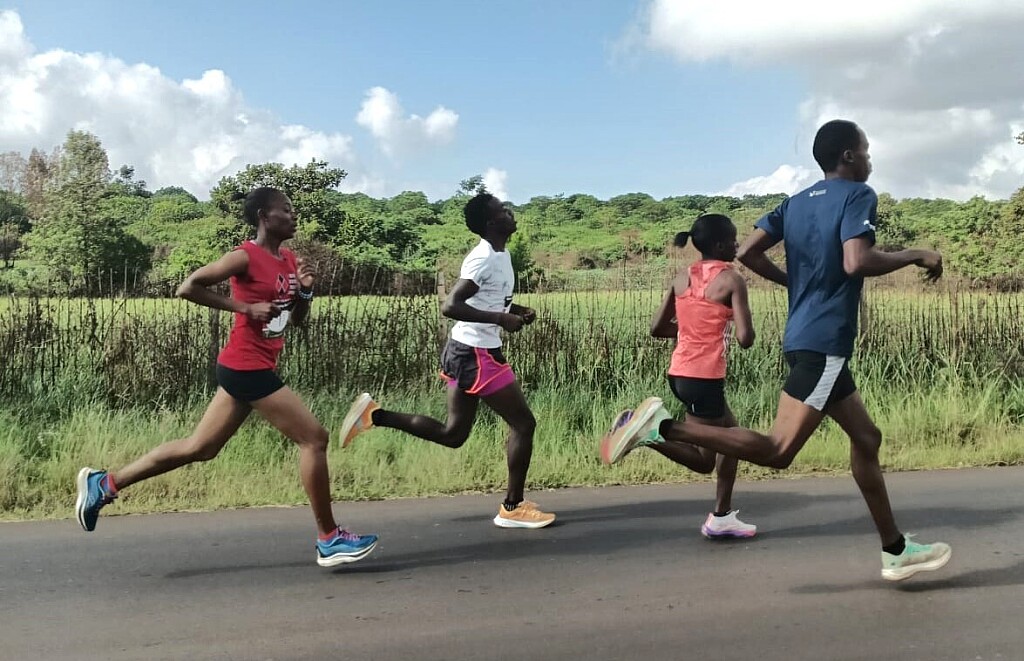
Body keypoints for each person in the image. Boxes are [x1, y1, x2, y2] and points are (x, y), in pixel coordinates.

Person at [604, 120, 951, 581]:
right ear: (848, 156)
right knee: (778, 450)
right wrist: (915, 253)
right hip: (825, 342)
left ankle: (896, 550)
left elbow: (748, 252)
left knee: (867, 438)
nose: (870, 159)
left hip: (804, 337)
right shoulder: (858, 195)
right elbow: (857, 260)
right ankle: (661, 428)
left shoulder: (794, 203)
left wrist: (796, 283)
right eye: (866, 151)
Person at [75, 187, 379, 567]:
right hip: (246, 365)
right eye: (286, 210)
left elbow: (296, 321)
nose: (294, 216)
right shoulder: (243, 256)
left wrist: (305, 292)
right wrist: (244, 307)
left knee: (200, 448)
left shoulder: (287, 260)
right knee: (314, 439)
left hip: (254, 365)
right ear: (264, 217)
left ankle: (105, 484)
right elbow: (188, 288)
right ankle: (329, 538)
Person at [338, 192, 555, 529]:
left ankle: (374, 415)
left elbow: (487, 299)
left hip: (465, 350)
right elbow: (451, 305)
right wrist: (500, 319)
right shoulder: (482, 258)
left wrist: (516, 310)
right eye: (502, 210)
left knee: (453, 434)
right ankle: (512, 507)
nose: (510, 212)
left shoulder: (502, 254)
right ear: (491, 223)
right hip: (476, 354)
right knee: (524, 424)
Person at [601, 214, 757, 539]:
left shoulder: (681, 277)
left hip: (680, 373)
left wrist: (693, 331)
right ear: (719, 245)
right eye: (733, 241)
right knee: (704, 461)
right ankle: (649, 432)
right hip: (704, 378)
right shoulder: (732, 279)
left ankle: (722, 516)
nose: (737, 245)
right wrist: (726, 327)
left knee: (732, 439)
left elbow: (657, 328)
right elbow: (746, 338)